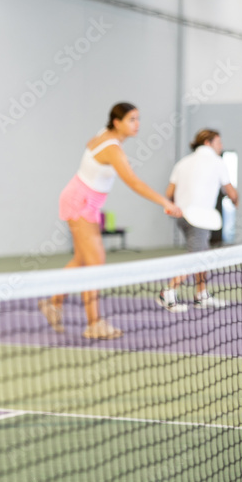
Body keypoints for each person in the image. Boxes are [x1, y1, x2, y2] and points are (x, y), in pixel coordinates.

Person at [38, 102, 182, 339]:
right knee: (95, 263)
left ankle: (53, 304)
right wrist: (165, 202)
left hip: (84, 200)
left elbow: (91, 147)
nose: (137, 124)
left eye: (138, 119)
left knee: (81, 260)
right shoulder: (113, 149)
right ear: (117, 123)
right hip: (80, 202)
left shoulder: (103, 136)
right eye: (131, 120)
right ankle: (94, 324)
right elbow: (134, 183)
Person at [157, 129, 239, 312]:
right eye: (219, 142)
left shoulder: (182, 163)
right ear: (208, 143)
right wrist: (235, 200)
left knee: (203, 254)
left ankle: (201, 295)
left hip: (182, 217)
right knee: (196, 256)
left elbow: (169, 193)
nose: (221, 146)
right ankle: (168, 292)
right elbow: (231, 192)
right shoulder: (218, 162)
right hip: (199, 220)